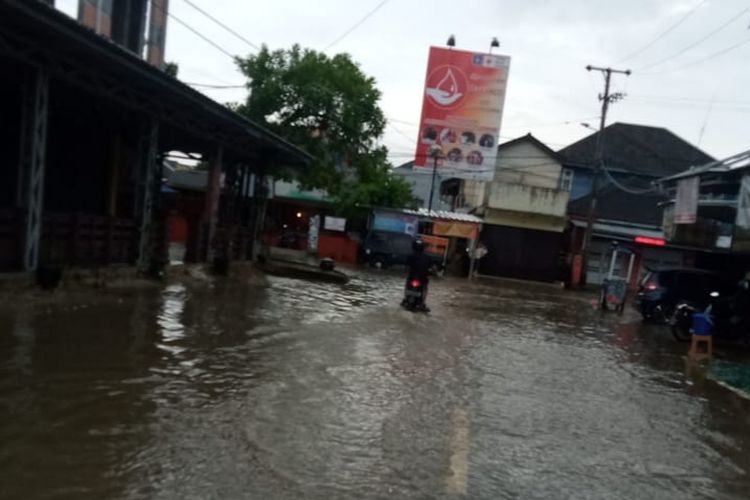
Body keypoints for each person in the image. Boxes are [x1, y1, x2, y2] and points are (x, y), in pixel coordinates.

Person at [405, 239, 432, 310]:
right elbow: (429, 268)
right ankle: (422, 303)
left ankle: (406, 299)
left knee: (408, 283)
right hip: (422, 279)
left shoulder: (410, 256)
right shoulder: (427, 257)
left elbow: (407, 267)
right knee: (425, 287)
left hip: (412, 277)